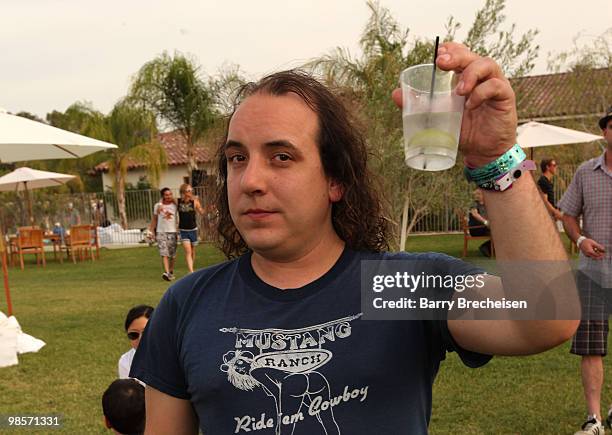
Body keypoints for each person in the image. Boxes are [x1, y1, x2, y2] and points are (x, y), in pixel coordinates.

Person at [131, 43, 579, 434]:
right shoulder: (188, 304)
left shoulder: (402, 288)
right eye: (236, 158)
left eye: (281, 156)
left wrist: (496, 157)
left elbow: (546, 317)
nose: (250, 180)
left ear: (336, 181)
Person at [559, 105, 612, 435]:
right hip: (593, 272)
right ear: (605, 132)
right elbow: (567, 215)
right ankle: (594, 420)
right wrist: (579, 241)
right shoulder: (584, 172)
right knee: (592, 346)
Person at [148, 188, 177, 281]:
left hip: (173, 231)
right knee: (164, 253)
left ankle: (171, 271)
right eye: (166, 195)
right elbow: (154, 219)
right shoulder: (157, 206)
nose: (168, 196)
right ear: (162, 196)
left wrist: (172, 200)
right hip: (161, 232)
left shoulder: (175, 205)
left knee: (172, 255)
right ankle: (166, 272)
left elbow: (180, 202)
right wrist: (151, 230)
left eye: (170, 194)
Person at [118, 305, 154, 379]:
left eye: (146, 333)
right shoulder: (126, 361)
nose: (140, 339)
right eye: (133, 334)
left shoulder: (175, 357)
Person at [177, 184, 204, 274]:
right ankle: (191, 271)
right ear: (183, 192)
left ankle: (191, 267)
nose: (190, 192)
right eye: (188, 191)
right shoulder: (178, 201)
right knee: (188, 251)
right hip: (183, 230)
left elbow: (201, 211)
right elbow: (165, 200)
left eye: (190, 190)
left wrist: (209, 210)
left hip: (193, 229)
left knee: (192, 250)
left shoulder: (194, 202)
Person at [468, 188, 492, 257]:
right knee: (497, 233)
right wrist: (486, 222)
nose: (477, 196)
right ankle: (486, 247)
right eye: (476, 194)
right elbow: (475, 214)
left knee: (499, 232)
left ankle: (487, 248)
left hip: (484, 227)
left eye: (479, 194)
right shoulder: (474, 204)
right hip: (476, 229)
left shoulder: (486, 205)